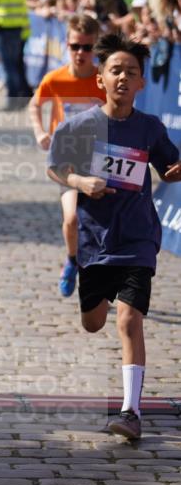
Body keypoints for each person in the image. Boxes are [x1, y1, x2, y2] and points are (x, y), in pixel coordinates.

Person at [47, 33, 181, 440]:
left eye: (131, 72)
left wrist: (175, 171)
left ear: (142, 82)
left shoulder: (150, 128)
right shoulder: (80, 126)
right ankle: (79, 273)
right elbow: (55, 166)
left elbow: (168, 169)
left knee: (129, 319)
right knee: (93, 322)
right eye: (116, 70)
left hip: (138, 238)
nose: (123, 77)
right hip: (95, 240)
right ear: (100, 79)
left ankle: (131, 411)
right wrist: (80, 182)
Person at [29, 13, 105, 296]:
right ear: (67, 45)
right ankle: (72, 260)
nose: (80, 53)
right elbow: (35, 105)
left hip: (99, 161)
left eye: (87, 47)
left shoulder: (103, 80)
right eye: (75, 46)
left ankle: (99, 273)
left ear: (95, 47)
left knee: (100, 224)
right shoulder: (55, 79)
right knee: (72, 218)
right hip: (67, 162)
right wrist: (40, 131)